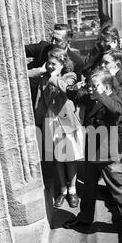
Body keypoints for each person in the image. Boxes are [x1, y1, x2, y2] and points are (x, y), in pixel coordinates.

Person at [64, 67, 122, 235]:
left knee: (118, 190)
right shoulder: (91, 96)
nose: (91, 89)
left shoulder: (114, 100)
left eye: (95, 85)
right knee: (88, 189)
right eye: (91, 85)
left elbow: (116, 110)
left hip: (107, 155)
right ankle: (85, 218)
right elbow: (73, 95)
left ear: (107, 87)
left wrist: (100, 94)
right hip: (91, 152)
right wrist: (77, 85)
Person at [35, 48, 84, 209]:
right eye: (48, 63)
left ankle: (73, 190)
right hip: (50, 120)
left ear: (62, 64)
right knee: (58, 158)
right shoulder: (44, 76)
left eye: (53, 63)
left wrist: (54, 75)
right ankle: (63, 190)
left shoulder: (70, 76)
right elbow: (41, 100)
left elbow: (65, 88)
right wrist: (41, 70)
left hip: (67, 121)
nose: (49, 66)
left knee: (70, 158)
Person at [25, 24, 84, 107]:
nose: (52, 42)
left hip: (56, 108)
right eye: (52, 38)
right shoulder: (43, 47)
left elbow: (73, 92)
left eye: (57, 40)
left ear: (68, 41)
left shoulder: (76, 62)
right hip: (32, 100)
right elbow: (19, 50)